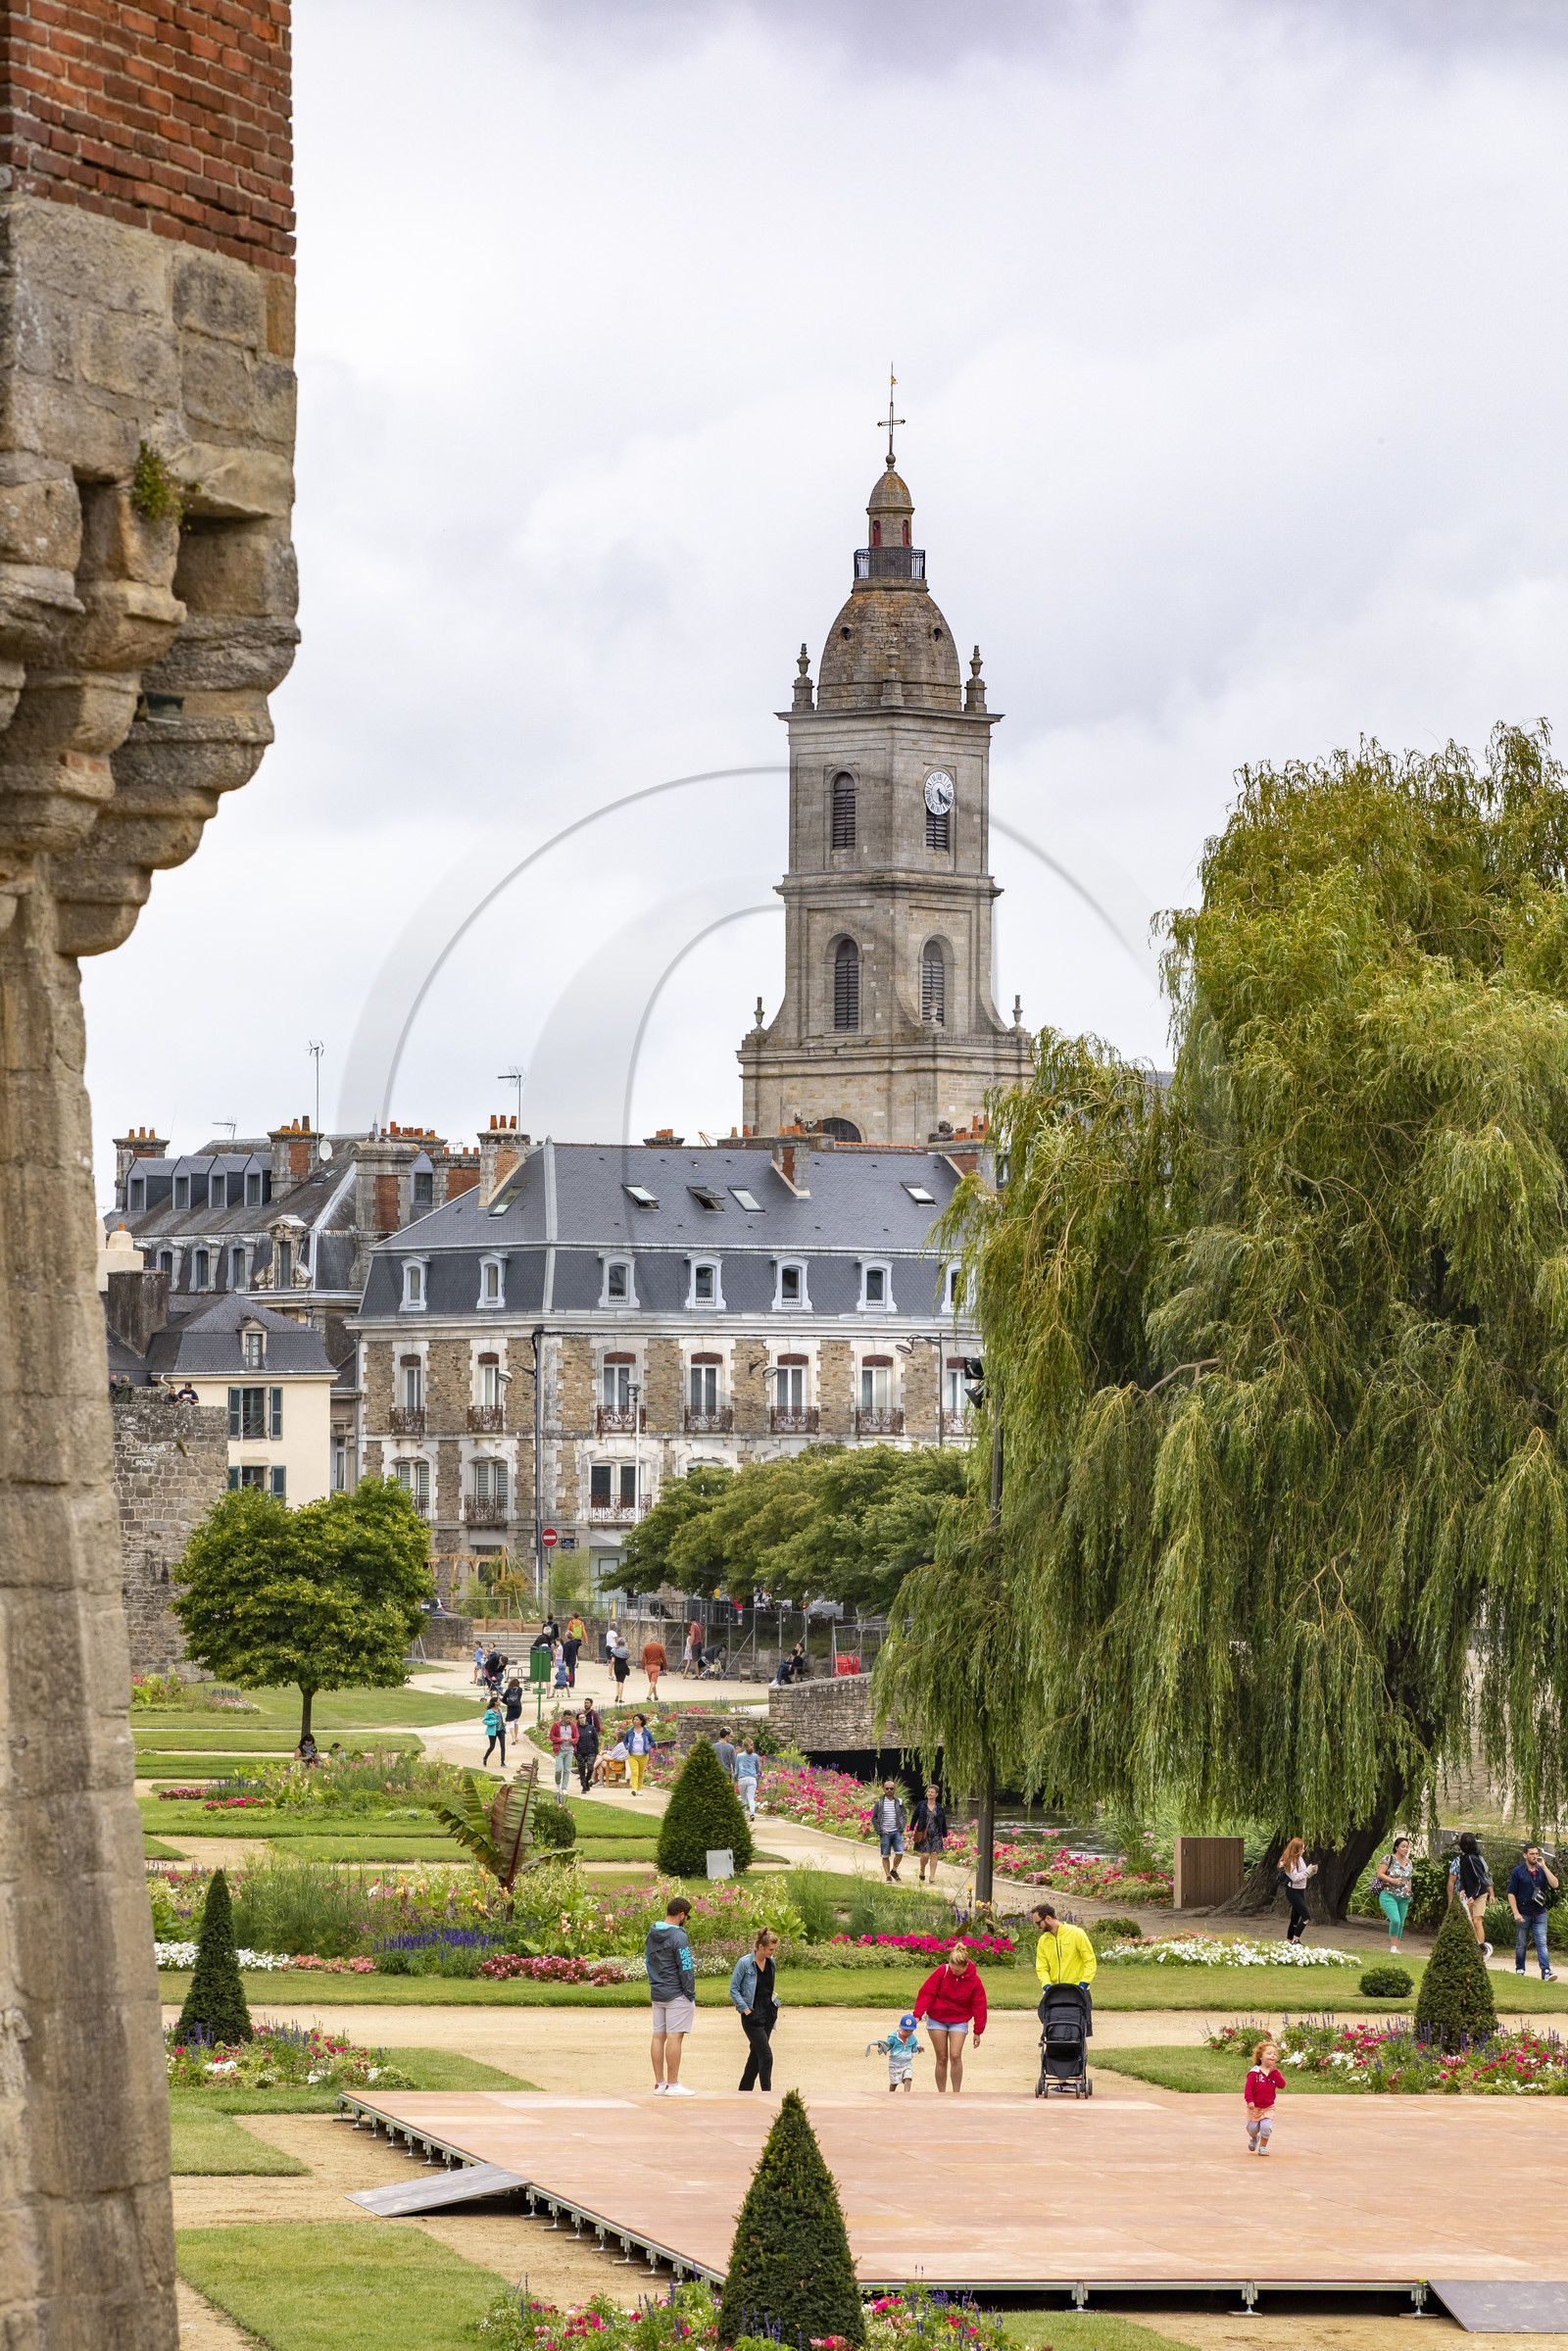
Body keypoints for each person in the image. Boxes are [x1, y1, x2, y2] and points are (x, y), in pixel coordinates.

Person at [911, 1942, 988, 2091]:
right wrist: (917, 2015)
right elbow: (927, 1992)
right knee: (941, 2058)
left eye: (957, 1971)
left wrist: (978, 2031)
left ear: (965, 1966)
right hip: (937, 2019)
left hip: (959, 2021)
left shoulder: (974, 1980)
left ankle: (956, 2093)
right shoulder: (943, 1971)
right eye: (952, 1969)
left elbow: (979, 2004)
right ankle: (942, 2094)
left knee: (955, 2056)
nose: (954, 1972)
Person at [646, 1892, 696, 2094]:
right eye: (687, 1916)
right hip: (676, 1993)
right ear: (681, 1914)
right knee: (675, 2038)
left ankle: (660, 2084)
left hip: (657, 1992)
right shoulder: (679, 1936)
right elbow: (686, 1966)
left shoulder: (652, 1932)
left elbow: (649, 1960)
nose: (687, 1920)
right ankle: (673, 2085)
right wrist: (690, 1994)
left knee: (658, 2037)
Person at [729, 1927, 781, 2090]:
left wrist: (775, 2004)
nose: (773, 1953)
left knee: (755, 2056)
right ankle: (767, 2093)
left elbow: (767, 1988)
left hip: (768, 2015)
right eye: (770, 1950)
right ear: (761, 1947)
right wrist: (745, 2010)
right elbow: (734, 1989)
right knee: (766, 2056)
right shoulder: (745, 1963)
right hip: (752, 2017)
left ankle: (744, 2091)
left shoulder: (771, 1962)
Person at [1507, 1843, 1559, 1981]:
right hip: (1523, 1913)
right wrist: (1516, 1913)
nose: (1535, 1856)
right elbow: (1511, 1893)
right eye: (1532, 1854)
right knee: (1521, 1943)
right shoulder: (1518, 1871)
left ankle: (1546, 1971)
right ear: (1525, 1855)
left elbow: (1555, 1884)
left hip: (1540, 1913)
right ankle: (1520, 1969)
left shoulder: (1542, 1870)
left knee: (1541, 1943)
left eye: (1536, 1853)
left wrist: (1544, 1866)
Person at [1449, 1831, 1493, 1955]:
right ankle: (1475, 1946)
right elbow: (1462, 1875)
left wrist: (1474, 1896)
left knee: (1477, 1920)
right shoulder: (1464, 1858)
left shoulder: (1473, 1858)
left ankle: (1482, 1950)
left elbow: (1481, 1879)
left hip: (1479, 1893)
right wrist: (1462, 1888)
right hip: (1469, 1893)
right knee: (1469, 1922)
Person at [1373, 1836, 1414, 1953]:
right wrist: (1393, 1881)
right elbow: (1380, 1874)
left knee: (1401, 1922)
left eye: (1407, 1847)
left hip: (1404, 1897)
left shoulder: (1409, 1863)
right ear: (1396, 1847)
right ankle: (1393, 1947)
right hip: (1389, 1894)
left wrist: (1410, 1891)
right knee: (1395, 1920)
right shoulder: (1388, 1859)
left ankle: (1396, 1947)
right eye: (1403, 1847)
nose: (1405, 1849)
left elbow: (1409, 1878)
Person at [1245, 2036, 1285, 2155]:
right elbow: (1248, 2089)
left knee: (1266, 2127)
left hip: (1268, 2106)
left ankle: (1263, 2146)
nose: (1272, 2056)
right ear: (1260, 2057)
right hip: (1254, 2107)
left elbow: (1282, 2085)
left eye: (1274, 2054)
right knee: (1252, 2128)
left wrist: (1276, 2073)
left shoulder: (1274, 2073)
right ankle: (1254, 2138)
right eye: (1269, 2053)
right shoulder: (1254, 2073)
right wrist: (1249, 2100)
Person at [866, 2013, 922, 2092]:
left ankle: (907, 2095)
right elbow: (887, 2046)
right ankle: (891, 2094)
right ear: (900, 2027)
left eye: (911, 2031)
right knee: (894, 2082)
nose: (908, 2033)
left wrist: (918, 2048)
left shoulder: (912, 2037)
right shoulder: (893, 2037)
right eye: (906, 2030)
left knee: (908, 2078)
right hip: (894, 2064)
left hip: (907, 2063)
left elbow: (913, 2047)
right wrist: (882, 2047)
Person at [1279, 1838, 1316, 1942]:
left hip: (1300, 1891)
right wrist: (1308, 1870)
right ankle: (1296, 1939)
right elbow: (1295, 1878)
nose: (1303, 1851)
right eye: (1302, 1848)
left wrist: (1312, 1871)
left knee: (1295, 1918)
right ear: (1296, 1849)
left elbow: (1304, 1876)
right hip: (1293, 1891)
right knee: (1306, 1917)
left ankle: (1289, 1940)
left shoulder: (1300, 1858)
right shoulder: (1289, 1861)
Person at [911, 1786, 948, 1885]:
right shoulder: (921, 1804)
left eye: (932, 1792)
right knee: (925, 1855)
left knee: (934, 1854)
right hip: (924, 1833)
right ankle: (922, 1870)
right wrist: (911, 1829)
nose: (929, 1793)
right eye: (929, 1792)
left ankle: (932, 1877)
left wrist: (945, 1835)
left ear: (936, 1794)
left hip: (936, 1833)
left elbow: (943, 1821)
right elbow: (915, 1817)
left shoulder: (939, 1807)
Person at [872, 1779, 906, 1882]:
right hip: (885, 1832)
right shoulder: (879, 1802)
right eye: (887, 1788)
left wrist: (902, 1827)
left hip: (897, 1831)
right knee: (885, 1854)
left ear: (894, 1789)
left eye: (891, 1788)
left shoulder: (899, 1801)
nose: (889, 1790)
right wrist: (880, 1830)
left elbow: (904, 1815)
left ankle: (894, 1870)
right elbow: (874, 1818)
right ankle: (888, 1875)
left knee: (900, 1852)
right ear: (883, 1789)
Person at [548, 1708, 577, 1795]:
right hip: (560, 1749)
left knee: (567, 1770)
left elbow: (577, 1737)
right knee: (558, 1769)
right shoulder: (556, 1725)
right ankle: (557, 1784)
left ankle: (564, 1788)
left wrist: (573, 1740)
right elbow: (551, 1736)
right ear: (563, 1717)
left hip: (569, 1750)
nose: (568, 1720)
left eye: (570, 1718)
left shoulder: (573, 1726)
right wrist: (561, 1739)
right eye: (567, 1718)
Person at [576, 1700, 602, 1793]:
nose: (582, 1719)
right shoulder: (576, 1728)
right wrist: (576, 1752)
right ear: (578, 1719)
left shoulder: (590, 1728)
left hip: (590, 1751)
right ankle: (584, 1786)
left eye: (583, 1717)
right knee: (582, 1770)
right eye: (580, 1718)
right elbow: (574, 1740)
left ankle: (587, 1781)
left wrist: (595, 1750)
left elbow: (595, 1739)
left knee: (590, 1768)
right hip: (580, 1752)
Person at [625, 1712, 654, 1793]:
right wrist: (627, 1747)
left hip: (643, 1755)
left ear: (641, 1721)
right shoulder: (629, 1731)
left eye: (637, 1720)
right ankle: (634, 1789)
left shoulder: (646, 1731)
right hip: (632, 1755)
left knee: (641, 1773)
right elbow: (625, 1742)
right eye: (634, 1719)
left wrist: (648, 1747)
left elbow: (652, 1741)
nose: (635, 1721)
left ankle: (639, 1789)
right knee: (635, 1772)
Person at [736, 1737, 761, 1818]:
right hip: (752, 1778)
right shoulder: (755, 1756)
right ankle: (752, 1813)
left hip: (742, 1778)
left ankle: (743, 1815)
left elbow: (737, 1769)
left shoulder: (739, 1756)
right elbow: (758, 1768)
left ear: (743, 1745)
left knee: (743, 1798)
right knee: (751, 1798)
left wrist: (735, 1778)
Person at [642, 1631, 666, 1699]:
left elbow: (643, 1658)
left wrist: (643, 1667)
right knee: (653, 1681)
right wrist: (665, 1668)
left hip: (649, 1666)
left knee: (653, 1681)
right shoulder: (660, 1647)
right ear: (657, 1640)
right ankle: (649, 1696)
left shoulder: (646, 1647)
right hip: (656, 1666)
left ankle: (655, 1696)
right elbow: (663, 1658)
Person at [481, 1698, 506, 1768]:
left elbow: (501, 1718)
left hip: (501, 1730)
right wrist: (493, 1722)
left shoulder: (500, 1710)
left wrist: (503, 1722)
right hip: (493, 1731)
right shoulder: (489, 1712)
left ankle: (502, 1762)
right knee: (492, 1746)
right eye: (499, 1701)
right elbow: (484, 1721)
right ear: (495, 1703)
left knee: (503, 1746)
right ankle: (485, 1758)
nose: (500, 1702)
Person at [503, 1676, 523, 1742]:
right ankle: (516, 1736)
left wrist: (508, 1703)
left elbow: (503, 1699)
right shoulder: (520, 1690)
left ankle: (513, 1738)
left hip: (511, 1708)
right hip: (518, 1707)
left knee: (511, 1723)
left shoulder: (508, 1690)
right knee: (516, 1722)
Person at [611, 1632, 631, 1697]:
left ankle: (617, 1694)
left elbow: (613, 1660)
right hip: (623, 1666)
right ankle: (620, 1698)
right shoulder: (626, 1651)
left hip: (616, 1667)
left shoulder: (614, 1650)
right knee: (621, 1682)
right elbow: (628, 1659)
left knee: (617, 1681)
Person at [562, 1622, 582, 1690]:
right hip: (573, 1658)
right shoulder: (575, 1642)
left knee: (568, 1671)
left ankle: (569, 1682)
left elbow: (566, 1653)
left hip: (568, 1659)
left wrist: (564, 1659)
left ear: (567, 1637)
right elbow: (580, 1643)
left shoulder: (567, 1644)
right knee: (572, 1671)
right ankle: (572, 1683)